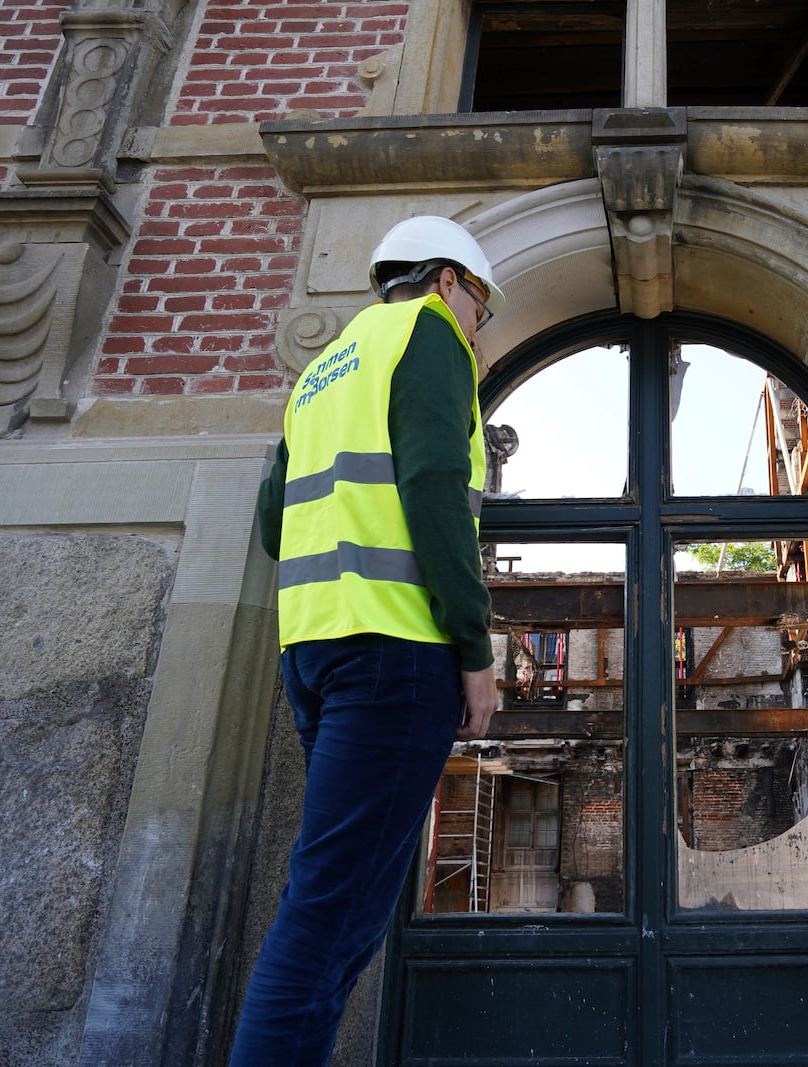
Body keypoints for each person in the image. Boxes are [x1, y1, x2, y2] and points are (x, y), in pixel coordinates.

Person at [231, 216, 504, 1066]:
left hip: (314, 650)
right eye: (481, 308)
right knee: (325, 919)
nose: (476, 328)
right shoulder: (426, 333)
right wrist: (475, 647)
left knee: (340, 913)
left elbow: (276, 522)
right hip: (396, 651)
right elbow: (430, 484)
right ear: (448, 282)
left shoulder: (325, 366)